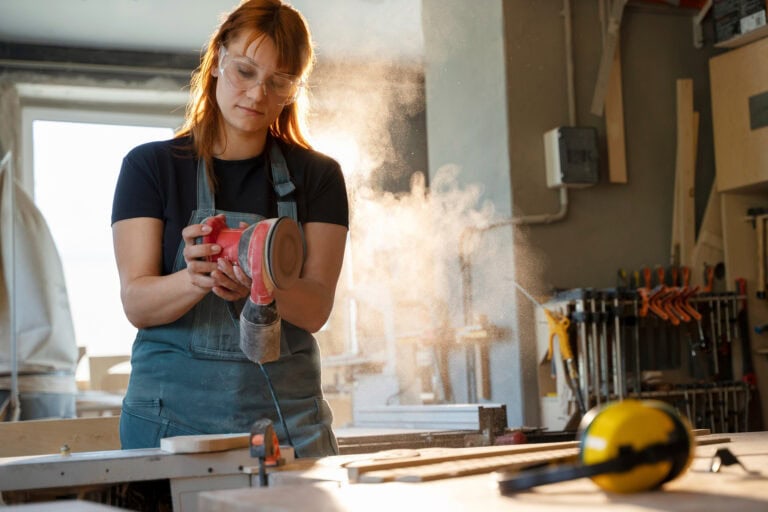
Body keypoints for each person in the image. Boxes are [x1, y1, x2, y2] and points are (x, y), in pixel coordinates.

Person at [111, 0, 348, 458]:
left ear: (293, 89)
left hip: (287, 422)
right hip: (168, 421)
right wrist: (194, 278)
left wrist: (266, 282)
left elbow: (316, 308)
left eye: (279, 82)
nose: (258, 94)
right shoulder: (150, 167)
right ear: (218, 59)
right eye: (245, 71)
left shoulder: (319, 176)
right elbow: (136, 302)